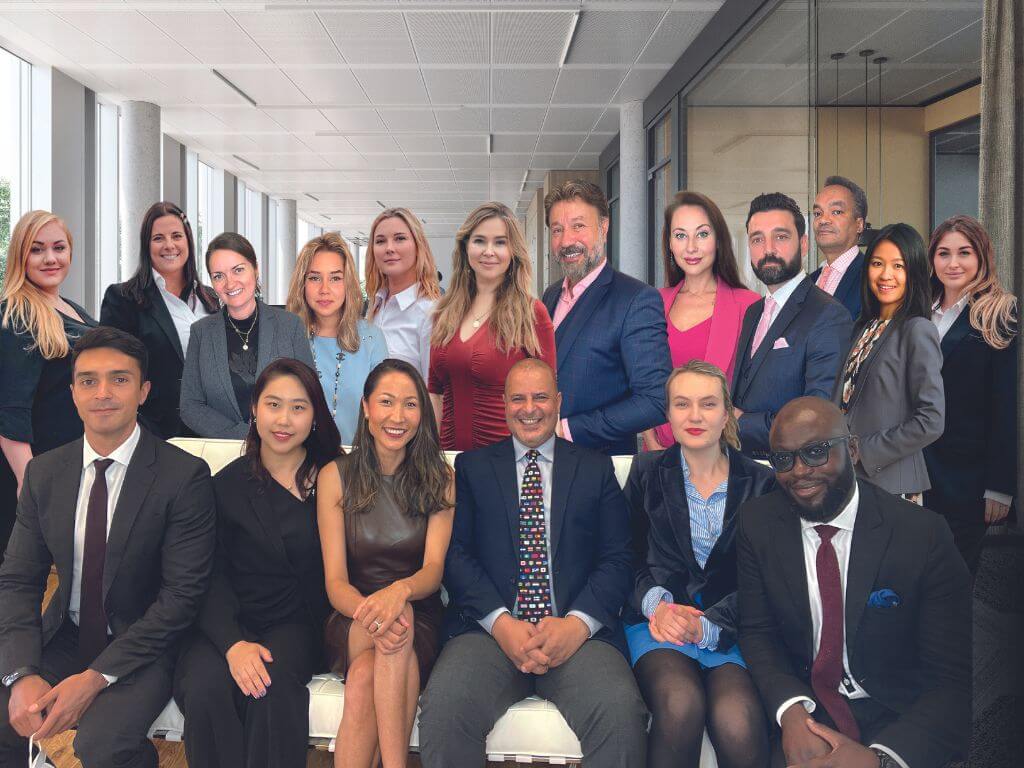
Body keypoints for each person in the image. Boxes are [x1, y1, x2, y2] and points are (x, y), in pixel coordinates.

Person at [0, 327, 216, 768]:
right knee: (6, 717)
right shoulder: (45, 473)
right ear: (73, 393)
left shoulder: (183, 476)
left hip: (145, 643)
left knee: (103, 745)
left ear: (143, 391)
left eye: (119, 379)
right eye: (88, 381)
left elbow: (180, 598)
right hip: (68, 632)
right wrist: (21, 674)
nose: (103, 393)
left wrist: (95, 678)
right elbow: (19, 580)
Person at [419, 358, 648, 768]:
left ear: (558, 402)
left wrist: (577, 624)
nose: (529, 409)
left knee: (620, 713)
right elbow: (457, 557)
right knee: (445, 709)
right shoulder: (472, 468)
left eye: (540, 397)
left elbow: (618, 557)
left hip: (578, 637)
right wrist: (502, 624)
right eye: (518, 398)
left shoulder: (595, 468)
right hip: (489, 633)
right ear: (504, 404)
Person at [737, 397, 971, 768]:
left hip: (895, 713)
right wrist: (792, 712)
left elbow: (951, 682)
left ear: (853, 449)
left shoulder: (922, 535)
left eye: (816, 452)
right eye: (783, 459)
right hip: (807, 704)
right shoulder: (758, 523)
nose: (800, 471)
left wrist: (880, 760)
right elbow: (757, 631)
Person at [174, 358, 340, 768]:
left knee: (268, 685)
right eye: (273, 404)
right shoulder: (223, 485)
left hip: (295, 625)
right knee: (205, 687)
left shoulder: (335, 478)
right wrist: (232, 644)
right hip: (224, 624)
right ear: (254, 408)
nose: (284, 420)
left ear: (315, 416)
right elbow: (206, 575)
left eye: (298, 407)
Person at [626, 361, 774, 768]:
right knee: (680, 704)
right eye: (682, 404)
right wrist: (657, 606)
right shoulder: (645, 472)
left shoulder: (762, 483)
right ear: (668, 414)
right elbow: (624, 556)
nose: (694, 416)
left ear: (726, 414)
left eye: (708, 404)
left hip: (732, 628)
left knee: (737, 720)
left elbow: (767, 579)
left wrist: (709, 626)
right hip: (659, 625)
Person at [318, 359, 454, 768]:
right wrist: (375, 611)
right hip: (351, 615)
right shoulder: (335, 475)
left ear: (422, 413)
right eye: (386, 402)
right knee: (396, 623)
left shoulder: (441, 477)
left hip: (419, 614)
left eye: (410, 404)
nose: (398, 416)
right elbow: (335, 582)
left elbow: (433, 571)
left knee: (365, 676)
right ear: (366, 408)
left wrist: (399, 592)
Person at [540, 180, 671, 455]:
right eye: (557, 230)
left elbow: (655, 400)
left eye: (578, 226)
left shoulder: (636, 299)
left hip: (600, 466)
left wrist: (566, 430)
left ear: (604, 227)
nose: (567, 241)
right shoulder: (550, 296)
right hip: (543, 462)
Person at [0, 211, 97, 560]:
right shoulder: (18, 313)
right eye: (37, 249)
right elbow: (10, 410)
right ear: (20, 255)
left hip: (74, 466)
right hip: (42, 473)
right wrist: (29, 485)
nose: (50, 258)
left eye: (59, 247)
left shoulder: (70, 309)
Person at [924, 215, 1018, 572]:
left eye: (964, 252)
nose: (953, 263)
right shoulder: (918, 310)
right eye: (943, 253)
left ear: (981, 256)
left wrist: (999, 486)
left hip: (966, 480)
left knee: (955, 582)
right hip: (916, 474)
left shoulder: (999, 312)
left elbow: (1005, 404)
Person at [731, 192, 852, 459]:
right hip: (743, 468)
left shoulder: (829, 315)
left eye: (781, 237)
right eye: (757, 239)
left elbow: (817, 420)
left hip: (793, 471)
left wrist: (737, 422)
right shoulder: (753, 312)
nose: (768, 249)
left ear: (804, 244)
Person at [429, 201, 556, 450]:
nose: (489, 251)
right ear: (465, 247)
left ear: (513, 251)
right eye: (479, 241)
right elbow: (435, 393)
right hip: (448, 459)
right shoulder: (444, 313)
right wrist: (429, 458)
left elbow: (547, 401)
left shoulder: (531, 314)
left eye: (500, 242)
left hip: (506, 461)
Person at [833, 223, 944, 501]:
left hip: (894, 486)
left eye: (898, 266)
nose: (886, 275)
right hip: (851, 482)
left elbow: (931, 420)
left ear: (914, 272)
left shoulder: (917, 330)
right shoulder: (862, 328)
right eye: (877, 263)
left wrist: (863, 450)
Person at [642, 191, 760, 451]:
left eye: (702, 234)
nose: (691, 247)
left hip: (722, 452)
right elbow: (640, 381)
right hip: (659, 453)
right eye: (680, 235)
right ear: (669, 243)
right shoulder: (653, 302)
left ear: (718, 240)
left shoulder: (748, 305)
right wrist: (651, 442)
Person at [100, 201, 218, 439]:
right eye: (158, 238)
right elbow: (113, 369)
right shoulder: (123, 299)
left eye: (176, 236)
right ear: (147, 245)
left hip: (214, 431)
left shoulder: (212, 299)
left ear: (188, 241)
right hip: (156, 432)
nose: (169, 245)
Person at [180, 232, 314, 439]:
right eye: (218, 276)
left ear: (256, 269)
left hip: (284, 446)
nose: (230, 283)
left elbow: (310, 394)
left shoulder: (290, 325)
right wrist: (243, 436)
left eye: (238, 270)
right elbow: (190, 405)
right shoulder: (201, 332)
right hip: (224, 450)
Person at [285, 232, 388, 445]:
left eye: (335, 278)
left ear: (348, 283)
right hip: (295, 457)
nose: (325, 290)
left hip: (355, 458)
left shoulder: (371, 338)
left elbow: (384, 410)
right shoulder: (286, 336)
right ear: (302, 284)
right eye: (314, 278)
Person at [365, 208, 442, 379]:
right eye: (380, 241)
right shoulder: (376, 305)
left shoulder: (430, 313)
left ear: (418, 246)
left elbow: (433, 389)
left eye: (400, 238)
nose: (389, 248)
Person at [809, 176, 867, 321]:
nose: (823, 220)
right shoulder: (809, 282)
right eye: (818, 213)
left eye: (836, 212)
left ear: (859, 225)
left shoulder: (872, 278)